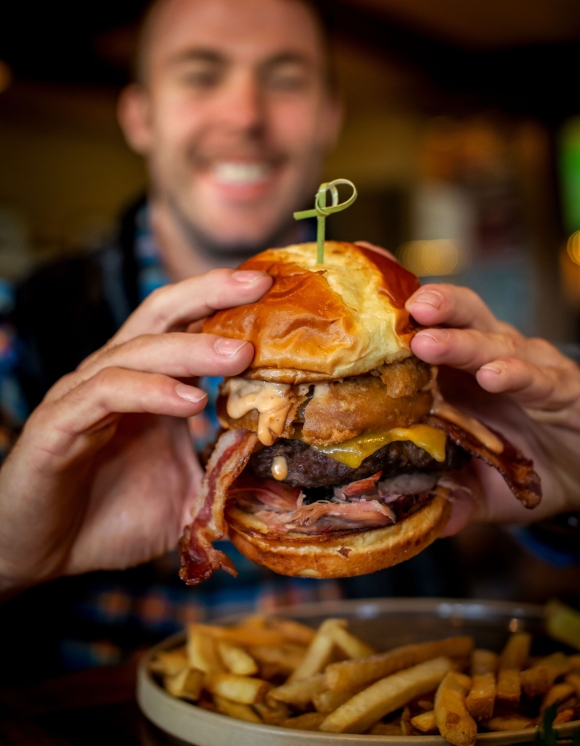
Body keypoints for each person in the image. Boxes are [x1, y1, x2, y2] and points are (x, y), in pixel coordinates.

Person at [0, 0, 578, 679]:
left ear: (328, 114)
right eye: (201, 73)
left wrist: (572, 497)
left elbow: (515, 579)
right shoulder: (24, 326)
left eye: (284, 77)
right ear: (140, 115)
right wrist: (11, 560)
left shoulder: (434, 327)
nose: (245, 115)